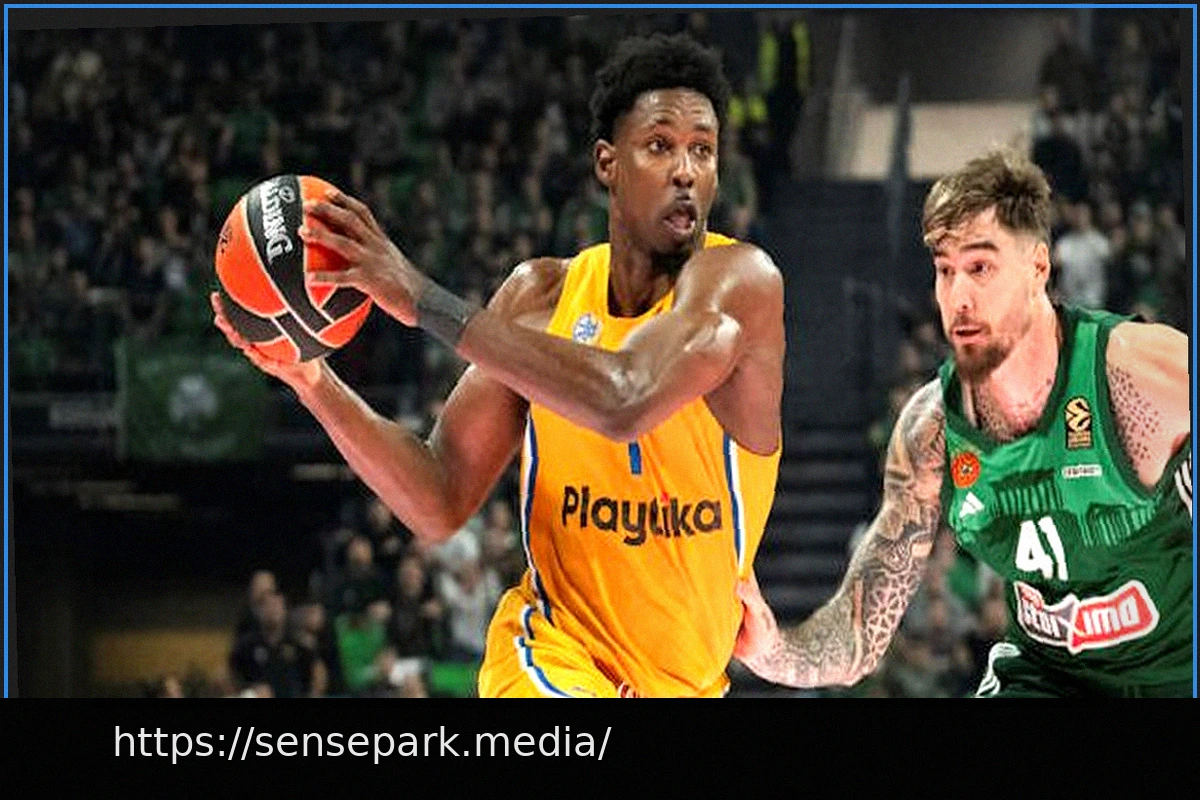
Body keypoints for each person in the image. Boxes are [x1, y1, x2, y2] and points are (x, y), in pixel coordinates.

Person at [212, 32, 784, 697]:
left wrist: (420, 297)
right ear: (608, 163)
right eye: (659, 146)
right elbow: (438, 497)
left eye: (703, 150)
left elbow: (625, 396)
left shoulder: (742, 283)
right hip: (549, 658)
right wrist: (312, 380)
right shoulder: (539, 299)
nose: (685, 170)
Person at [734, 149, 1190, 698]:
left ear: (1038, 269)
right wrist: (772, 651)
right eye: (945, 271)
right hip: (1046, 678)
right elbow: (858, 639)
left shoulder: (1140, 379)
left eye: (980, 268)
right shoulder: (931, 433)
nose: (959, 297)